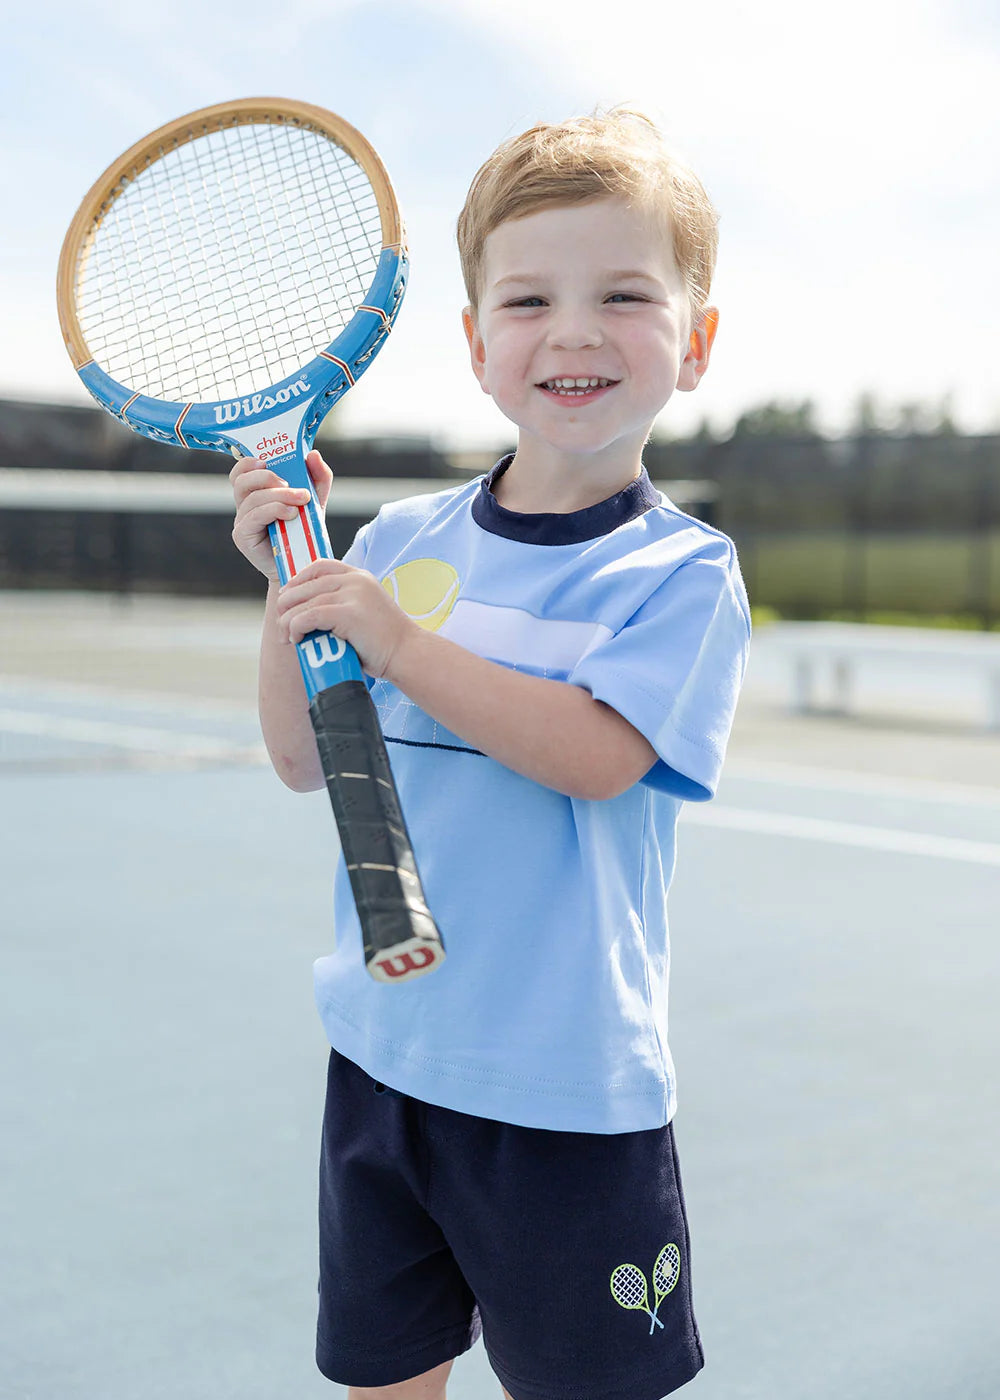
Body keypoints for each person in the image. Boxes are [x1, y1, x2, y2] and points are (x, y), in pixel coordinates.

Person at [230, 108, 751, 1400]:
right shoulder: (400, 541)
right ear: (475, 346)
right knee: (386, 1380)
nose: (572, 331)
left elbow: (595, 757)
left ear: (694, 343)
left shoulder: (679, 572)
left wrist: (398, 642)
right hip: (382, 1064)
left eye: (623, 294)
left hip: (564, 1097)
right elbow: (302, 756)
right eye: (528, 300)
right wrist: (294, 585)